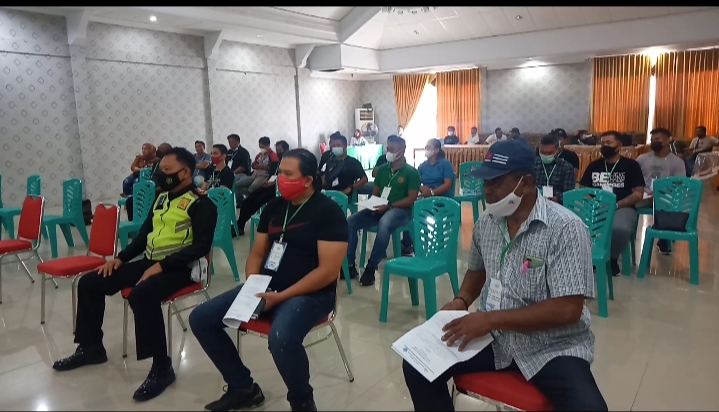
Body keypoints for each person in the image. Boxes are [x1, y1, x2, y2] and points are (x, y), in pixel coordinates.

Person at [402, 139, 607, 412]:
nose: (487, 190)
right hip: (496, 338)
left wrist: (490, 319)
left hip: (553, 345)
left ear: (526, 183)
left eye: (496, 182)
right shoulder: (487, 223)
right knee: (417, 362)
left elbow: (568, 309)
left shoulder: (566, 228)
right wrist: (462, 300)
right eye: (485, 182)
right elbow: (477, 270)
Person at [52, 147, 217, 402]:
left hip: (182, 269)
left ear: (185, 173)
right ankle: (91, 347)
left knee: (141, 294)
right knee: (90, 282)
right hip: (151, 262)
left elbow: (201, 246)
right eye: (160, 169)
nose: (160, 174)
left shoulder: (201, 203)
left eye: (167, 170)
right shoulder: (161, 199)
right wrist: (120, 259)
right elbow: (143, 237)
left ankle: (162, 367)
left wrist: (162, 266)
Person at [189, 148, 348, 412]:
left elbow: (328, 272)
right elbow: (257, 253)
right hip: (267, 288)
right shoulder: (274, 207)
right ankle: (243, 388)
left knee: (282, 337)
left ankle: (302, 401)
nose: (280, 178)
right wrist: (254, 285)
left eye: (288, 174)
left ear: (308, 180)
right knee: (201, 318)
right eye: (280, 172)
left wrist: (281, 297)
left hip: (311, 294)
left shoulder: (328, 212)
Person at [345, 135, 420, 286]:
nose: (388, 152)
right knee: (351, 221)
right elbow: (376, 192)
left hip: (401, 211)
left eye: (392, 149)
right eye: (388, 148)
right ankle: (350, 264)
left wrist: (389, 206)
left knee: (384, 223)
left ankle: (371, 267)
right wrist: (373, 204)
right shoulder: (383, 170)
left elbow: (411, 199)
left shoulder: (411, 172)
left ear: (402, 151)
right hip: (381, 208)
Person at [579, 131, 645, 276]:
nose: (605, 146)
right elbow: (583, 190)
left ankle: (611, 258)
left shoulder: (631, 165)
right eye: (602, 143)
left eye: (609, 143)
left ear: (619, 146)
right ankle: (590, 256)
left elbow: (638, 193)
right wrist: (594, 204)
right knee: (577, 226)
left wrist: (616, 205)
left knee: (619, 228)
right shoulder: (594, 165)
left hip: (622, 207)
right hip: (596, 206)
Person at [400, 138, 455, 255]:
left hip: (442, 198)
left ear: (436, 150)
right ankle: (408, 244)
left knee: (424, 211)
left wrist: (432, 192)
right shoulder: (423, 166)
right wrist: (422, 188)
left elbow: (447, 184)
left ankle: (434, 243)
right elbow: (415, 181)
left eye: (429, 147)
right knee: (409, 210)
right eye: (426, 147)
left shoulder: (445, 164)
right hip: (425, 197)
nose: (426, 150)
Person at [635, 128, 686, 255]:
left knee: (665, 204)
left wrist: (660, 194)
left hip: (665, 197)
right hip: (644, 195)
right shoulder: (642, 159)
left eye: (657, 139)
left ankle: (663, 238)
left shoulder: (677, 162)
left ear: (668, 140)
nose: (654, 142)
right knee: (627, 204)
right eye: (652, 140)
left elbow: (679, 185)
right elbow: (633, 179)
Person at [234, 140, 289, 237]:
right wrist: (268, 182)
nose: (278, 153)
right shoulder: (278, 162)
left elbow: (287, 178)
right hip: (270, 185)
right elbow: (272, 174)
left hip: (279, 189)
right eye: (277, 150)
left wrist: (274, 182)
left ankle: (240, 225)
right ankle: (240, 225)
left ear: (286, 150)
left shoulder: (289, 163)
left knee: (256, 202)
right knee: (248, 200)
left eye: (280, 151)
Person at [534, 133, 576, 204]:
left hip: (558, 205)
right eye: (542, 152)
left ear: (557, 150)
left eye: (549, 153)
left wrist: (556, 198)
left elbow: (569, 194)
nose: (546, 155)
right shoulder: (533, 164)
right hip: (535, 202)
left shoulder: (566, 168)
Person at [235, 136, 280, 201]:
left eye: (262, 147)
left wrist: (263, 167)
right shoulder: (259, 155)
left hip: (264, 176)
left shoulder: (273, 155)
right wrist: (255, 166)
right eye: (260, 147)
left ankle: (251, 199)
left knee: (252, 187)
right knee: (236, 185)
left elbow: (274, 168)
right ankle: (248, 197)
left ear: (268, 145)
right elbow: (253, 164)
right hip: (255, 175)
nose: (261, 149)